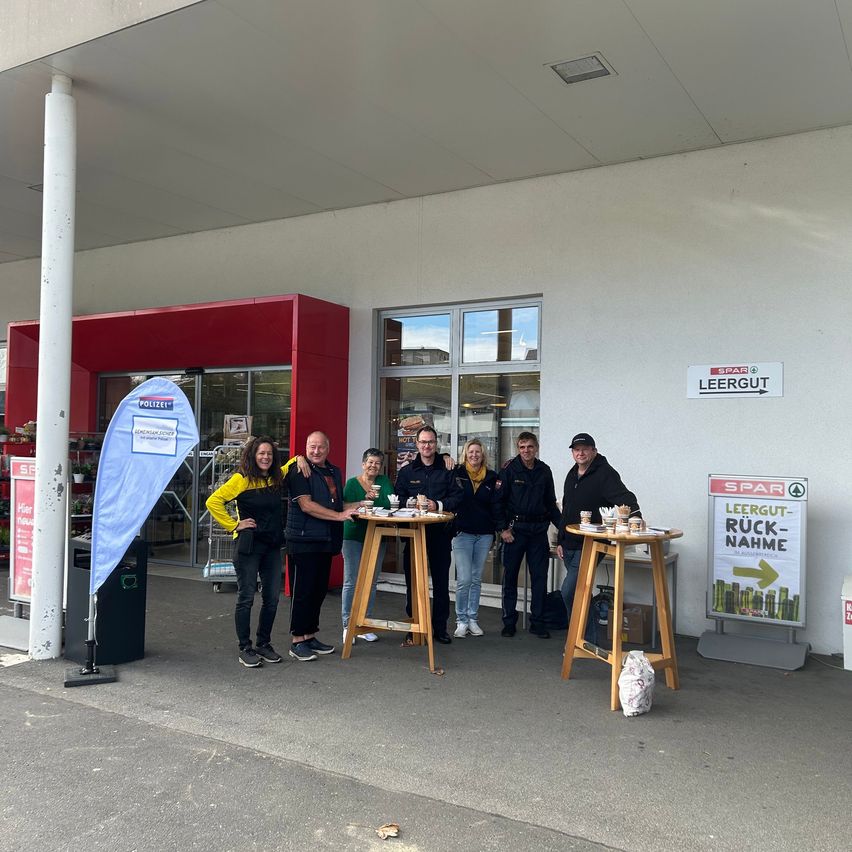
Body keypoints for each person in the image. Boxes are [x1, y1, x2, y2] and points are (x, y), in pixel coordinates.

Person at [206, 436, 295, 668]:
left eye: (269, 453)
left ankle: (263, 644)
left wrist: (301, 459)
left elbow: (291, 464)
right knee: (246, 598)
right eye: (261, 453)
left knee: (272, 599)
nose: (265, 457)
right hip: (249, 547)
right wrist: (234, 525)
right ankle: (245, 648)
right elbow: (213, 502)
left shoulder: (276, 477)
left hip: (272, 546)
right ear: (253, 455)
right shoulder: (241, 479)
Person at [556, 433, 640, 641]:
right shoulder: (572, 474)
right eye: (576, 450)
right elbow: (566, 509)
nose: (580, 453)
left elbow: (625, 498)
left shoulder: (605, 473)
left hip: (592, 544)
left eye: (585, 449)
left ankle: (578, 640)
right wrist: (560, 540)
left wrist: (636, 517)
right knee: (582, 592)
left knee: (569, 591)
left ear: (594, 451)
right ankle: (588, 640)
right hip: (569, 543)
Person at [286, 431, 359, 662]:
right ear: (306, 447)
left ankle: (310, 635)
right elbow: (306, 505)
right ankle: (297, 641)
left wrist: (358, 506)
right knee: (303, 593)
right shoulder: (298, 469)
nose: (316, 451)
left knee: (318, 591)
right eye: (312, 447)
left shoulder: (334, 471)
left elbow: (337, 504)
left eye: (320, 447)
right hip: (303, 541)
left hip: (326, 541)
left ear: (328, 448)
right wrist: (339, 517)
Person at [393, 426, 463, 644]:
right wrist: (410, 503)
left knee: (441, 584)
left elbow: (458, 497)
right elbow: (397, 497)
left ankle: (439, 629)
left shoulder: (448, 469)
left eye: (430, 442)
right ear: (416, 444)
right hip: (413, 535)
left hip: (440, 535)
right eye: (423, 442)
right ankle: (415, 626)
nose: (426, 446)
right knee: (413, 584)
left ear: (436, 444)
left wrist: (438, 504)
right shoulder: (407, 472)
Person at [495, 431, 561, 639]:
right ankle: (509, 622)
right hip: (514, 532)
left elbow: (551, 503)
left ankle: (538, 623)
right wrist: (503, 529)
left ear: (537, 448)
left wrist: (564, 529)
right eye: (522, 447)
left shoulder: (544, 470)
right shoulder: (509, 469)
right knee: (510, 577)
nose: (526, 451)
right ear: (518, 448)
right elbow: (498, 502)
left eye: (530, 446)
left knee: (540, 579)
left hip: (538, 532)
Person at [341, 448, 394, 643]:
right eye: (370, 462)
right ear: (363, 464)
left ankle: (364, 623)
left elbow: (390, 504)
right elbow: (343, 506)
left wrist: (376, 501)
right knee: (352, 581)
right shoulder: (352, 483)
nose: (373, 466)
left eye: (377, 463)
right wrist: (363, 501)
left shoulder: (384, 482)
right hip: (353, 535)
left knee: (370, 581)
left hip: (377, 535)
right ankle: (348, 625)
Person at [451, 438, 499, 637]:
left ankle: (472, 619)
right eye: (470, 452)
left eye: (477, 452)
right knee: (464, 579)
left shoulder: (492, 477)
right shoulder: (457, 474)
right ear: (465, 454)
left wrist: (498, 530)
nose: (474, 455)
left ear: (483, 454)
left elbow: (496, 505)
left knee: (476, 578)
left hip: (484, 534)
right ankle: (461, 620)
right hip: (462, 533)